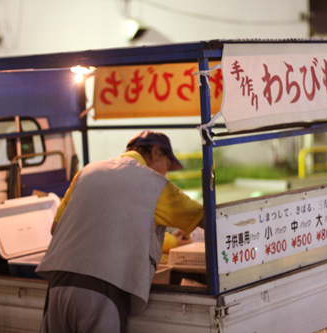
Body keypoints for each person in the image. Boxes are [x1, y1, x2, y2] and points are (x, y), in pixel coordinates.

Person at [36, 130, 204, 333]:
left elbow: (56, 228)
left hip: (58, 284)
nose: (165, 174)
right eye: (167, 166)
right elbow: (206, 219)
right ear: (156, 152)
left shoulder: (87, 172)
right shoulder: (155, 185)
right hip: (103, 288)